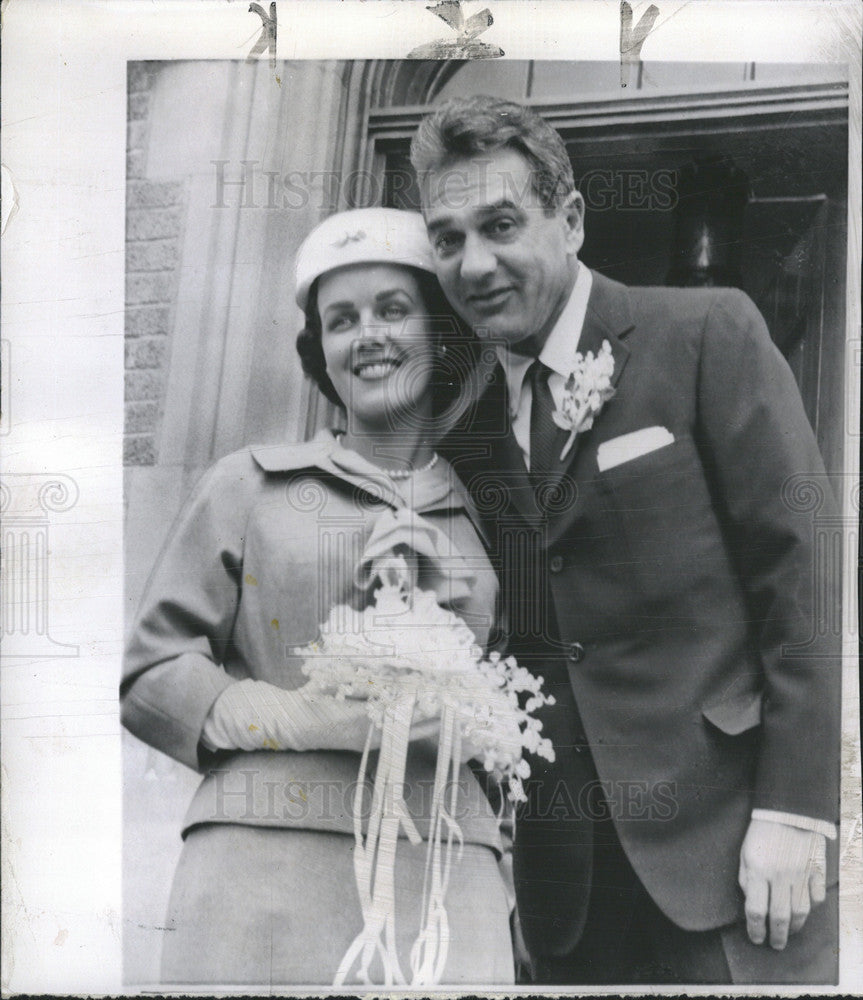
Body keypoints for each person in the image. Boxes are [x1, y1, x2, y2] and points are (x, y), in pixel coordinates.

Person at [409, 95, 841, 985]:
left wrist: (796, 810)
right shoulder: (467, 436)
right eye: (447, 239)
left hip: (727, 857)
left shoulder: (705, 333)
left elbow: (805, 572)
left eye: (499, 225)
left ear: (569, 221)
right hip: (560, 887)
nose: (474, 264)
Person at [120, 207, 516, 986]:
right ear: (322, 356)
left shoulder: (493, 516)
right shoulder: (250, 483)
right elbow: (150, 674)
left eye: (393, 310)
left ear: (440, 334)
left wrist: (459, 640)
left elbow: (514, 712)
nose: (366, 334)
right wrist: (300, 717)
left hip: (447, 870)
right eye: (341, 321)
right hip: (262, 861)